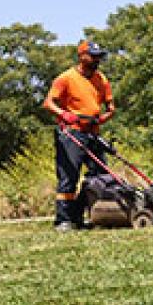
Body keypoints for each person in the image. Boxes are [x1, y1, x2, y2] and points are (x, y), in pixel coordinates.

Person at [42, 40, 115, 232]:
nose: (97, 60)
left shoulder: (101, 79)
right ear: (82, 56)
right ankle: (64, 220)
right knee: (69, 176)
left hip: (93, 132)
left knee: (100, 175)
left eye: (99, 56)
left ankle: (81, 215)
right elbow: (48, 103)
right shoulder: (66, 78)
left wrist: (102, 119)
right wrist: (63, 114)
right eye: (93, 56)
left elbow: (111, 108)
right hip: (71, 133)